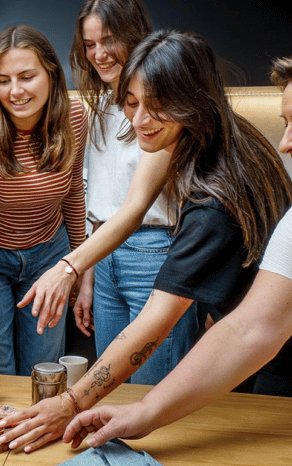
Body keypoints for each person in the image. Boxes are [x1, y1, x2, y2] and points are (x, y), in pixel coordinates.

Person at [0, 29, 292, 452]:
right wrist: (70, 266)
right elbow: (131, 211)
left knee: (272, 461)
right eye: (132, 102)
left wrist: (71, 402)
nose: (140, 119)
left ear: (191, 102)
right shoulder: (213, 134)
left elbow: (157, 320)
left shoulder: (215, 199)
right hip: (264, 330)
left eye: (158, 106)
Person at [23, 0, 198, 383]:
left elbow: (135, 207)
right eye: (89, 44)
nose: (99, 54)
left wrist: (71, 267)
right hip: (105, 260)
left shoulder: (163, 103)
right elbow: (97, 200)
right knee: (110, 386)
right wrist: (89, 278)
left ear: (135, 36)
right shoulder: (100, 105)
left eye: (109, 40)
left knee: (152, 390)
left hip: (153, 254)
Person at [0, 25, 88, 377]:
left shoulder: (74, 118)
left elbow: (73, 193)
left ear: (51, 74)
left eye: (27, 76)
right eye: (3, 80)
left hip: (50, 257)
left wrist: (79, 266)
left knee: (44, 370)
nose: (15, 91)